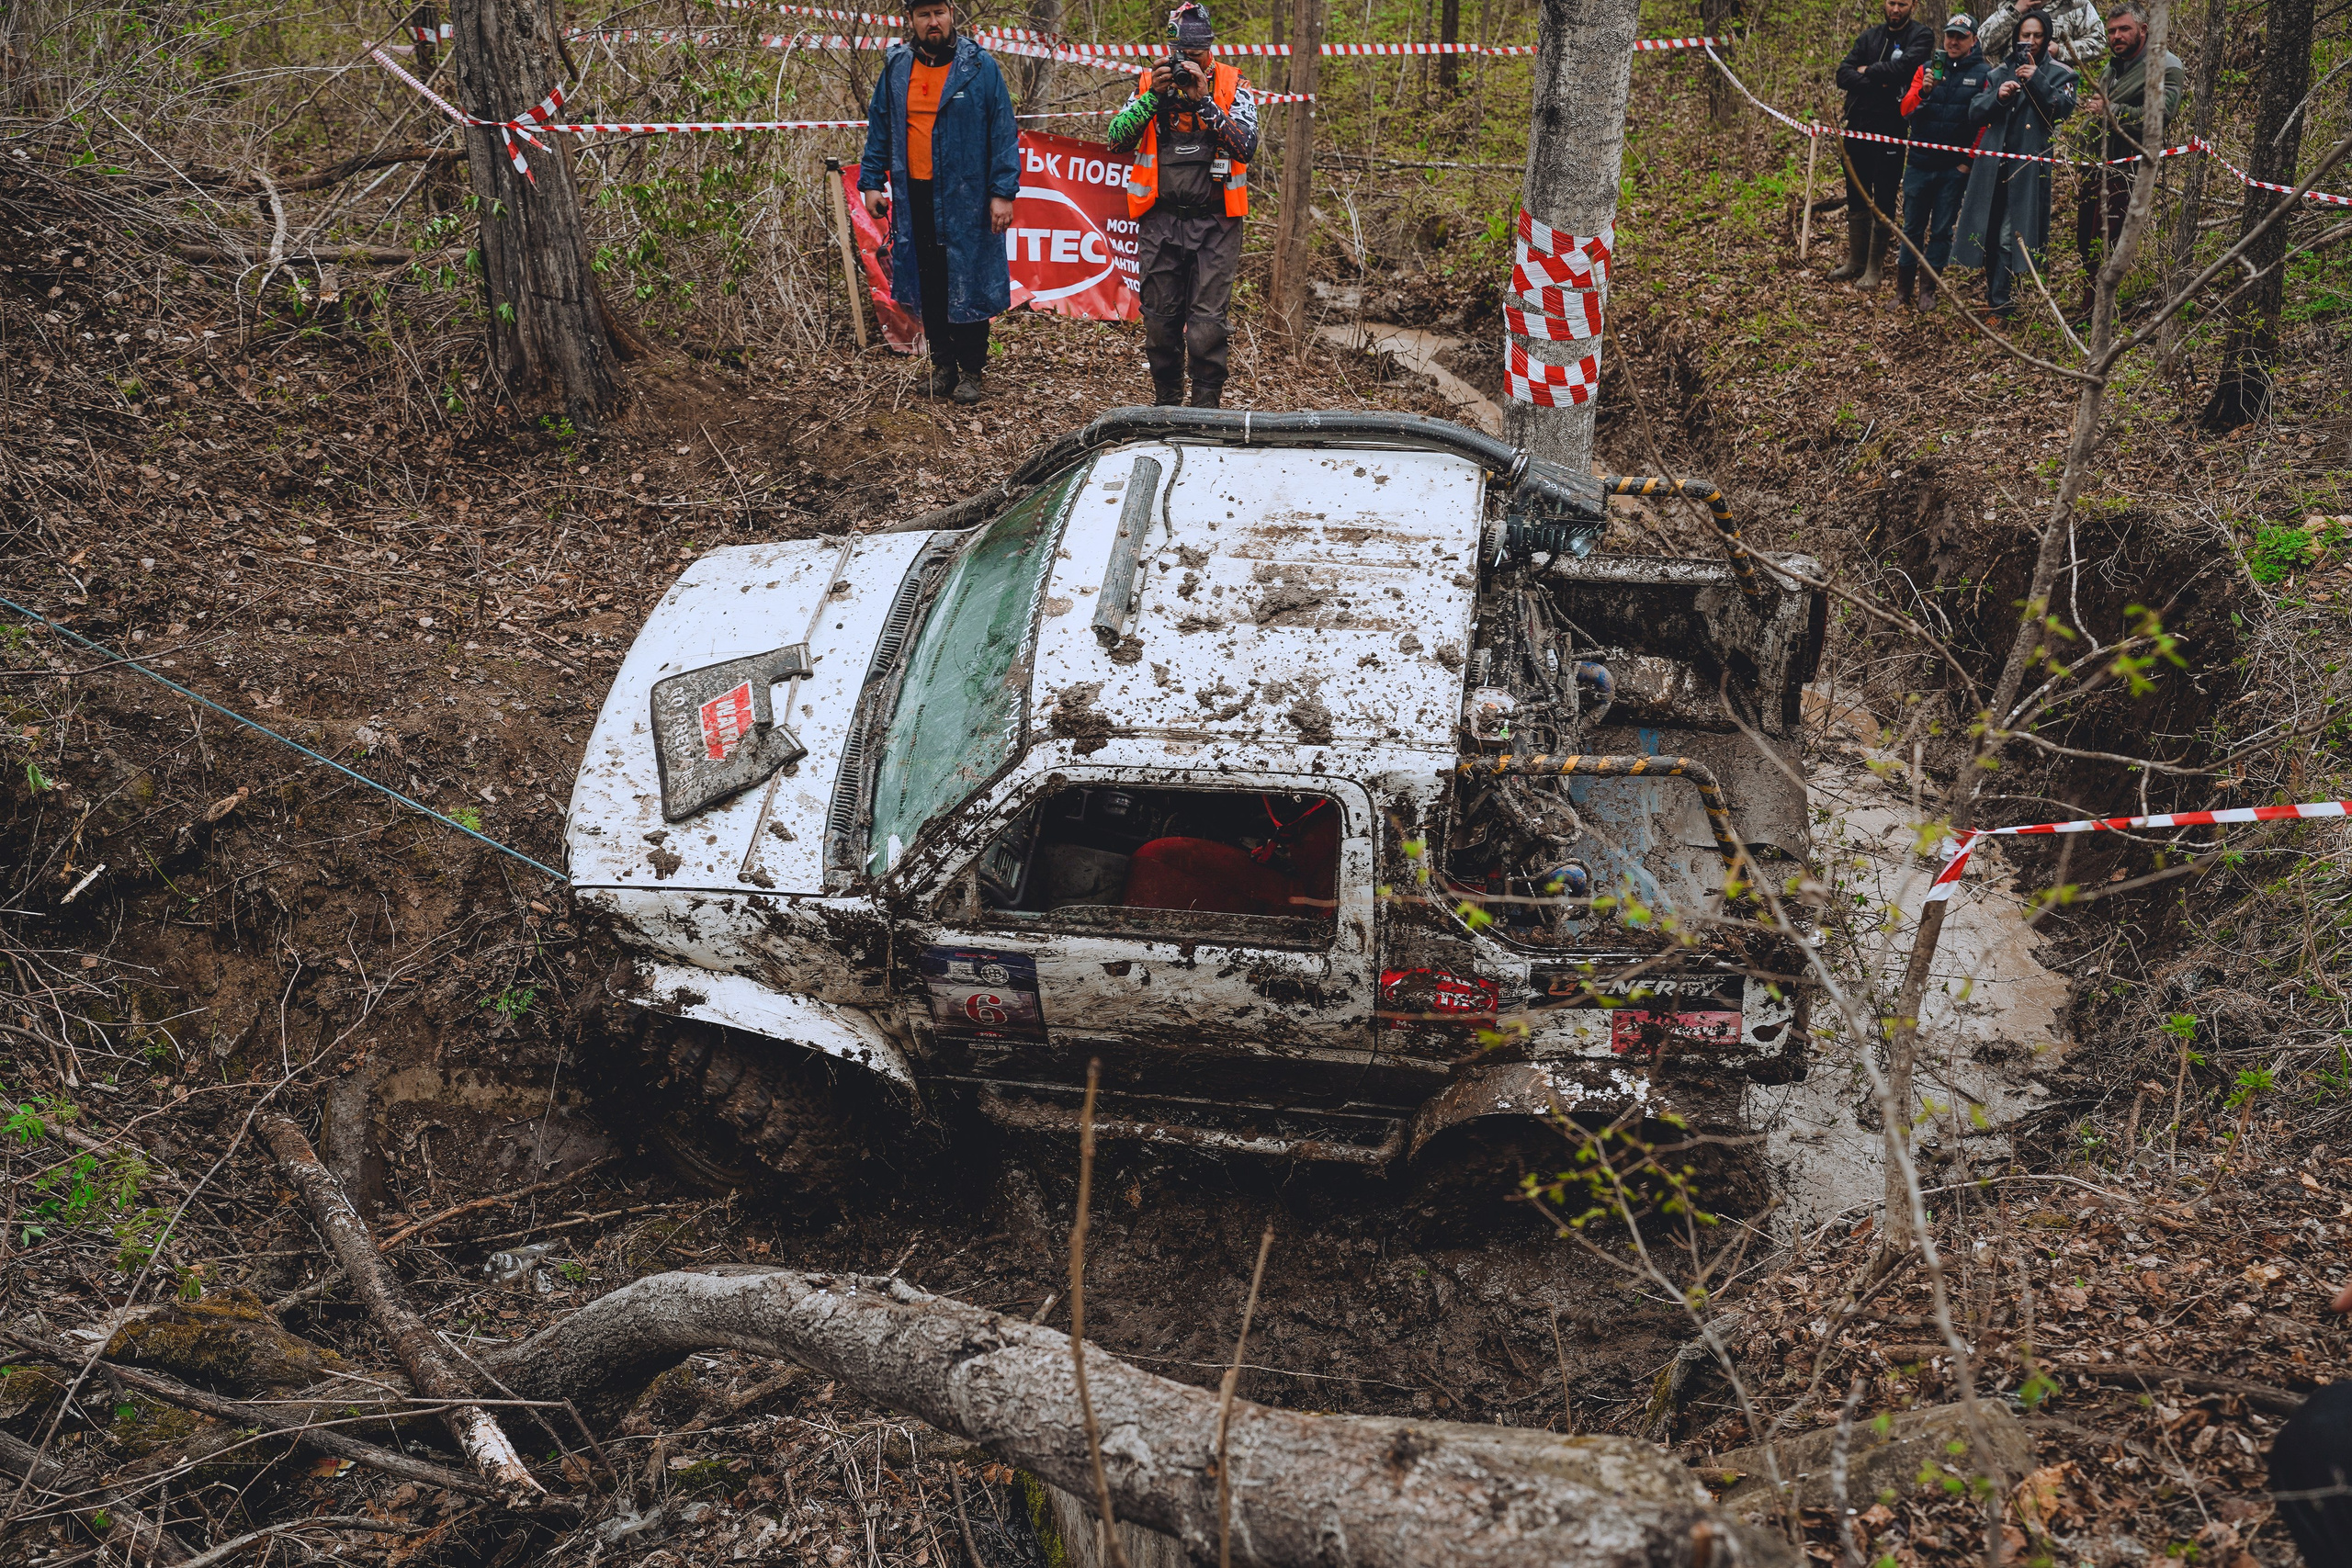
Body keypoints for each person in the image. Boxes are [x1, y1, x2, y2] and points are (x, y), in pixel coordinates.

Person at [857, 0, 1019, 404]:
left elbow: (1003, 131)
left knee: (970, 278)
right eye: (924, 15)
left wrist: (1002, 192)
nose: (934, 22)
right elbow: (881, 125)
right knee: (928, 282)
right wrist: (872, 181)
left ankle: (971, 371)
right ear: (910, 20)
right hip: (916, 196)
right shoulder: (897, 68)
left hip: (967, 197)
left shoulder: (979, 67)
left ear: (952, 16)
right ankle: (942, 365)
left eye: (940, 13)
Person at [1106, 2, 1259, 408]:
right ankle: (1167, 406)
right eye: (1180, 55)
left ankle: (1206, 411)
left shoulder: (1233, 83)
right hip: (1160, 220)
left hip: (1216, 223)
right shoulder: (1149, 83)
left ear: (1210, 47)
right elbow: (1117, 138)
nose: (1187, 63)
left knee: (1207, 326)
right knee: (1159, 321)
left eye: (1196, 55)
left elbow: (1246, 148)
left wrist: (1206, 101)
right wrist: (1152, 98)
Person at [1953, 12, 2077, 319]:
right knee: (1989, 232)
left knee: (2012, 235)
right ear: (2016, 37)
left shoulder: (2062, 73)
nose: (2030, 42)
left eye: (2037, 36)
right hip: (1992, 167)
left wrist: (2035, 79)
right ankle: (1995, 297)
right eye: (2025, 35)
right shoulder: (1999, 72)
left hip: (2027, 169)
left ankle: (2001, 304)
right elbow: (1975, 112)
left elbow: (2060, 110)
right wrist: (1998, 96)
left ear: (2046, 37)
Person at [2074, 4, 2183, 320]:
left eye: (2124, 29)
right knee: (2086, 241)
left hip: (2127, 168)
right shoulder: (2113, 66)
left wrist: (2111, 109)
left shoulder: (2165, 64)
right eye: (2111, 31)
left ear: (2144, 30)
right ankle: (2091, 306)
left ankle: (2096, 313)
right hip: (2096, 167)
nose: (2117, 36)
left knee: (2105, 243)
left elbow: (2160, 114)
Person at [1829, 0, 1935, 288]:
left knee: (1884, 195)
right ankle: (1856, 260)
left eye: (1902, 3)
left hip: (1891, 127)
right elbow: (1843, 74)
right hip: (1857, 125)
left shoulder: (1921, 35)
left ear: (1912, 4)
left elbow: (1903, 69)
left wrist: (1867, 72)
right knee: (1856, 191)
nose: (1896, 9)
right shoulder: (1869, 37)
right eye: (1891, 2)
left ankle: (1874, 267)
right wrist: (1877, 78)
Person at [1896, 14, 1994, 310]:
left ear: (1973, 40)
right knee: (1911, 227)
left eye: (1960, 36)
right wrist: (1925, 91)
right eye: (1950, 35)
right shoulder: (1925, 69)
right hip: (1919, 164)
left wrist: (1967, 161)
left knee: (1941, 230)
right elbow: (1904, 110)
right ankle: (1903, 292)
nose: (1953, 41)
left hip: (1953, 169)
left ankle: (1929, 290)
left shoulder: (1984, 74)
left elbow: (1985, 123)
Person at [1975, 0, 2107, 69]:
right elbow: (1982, 45)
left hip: (2053, 86)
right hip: (2009, 84)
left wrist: (2061, 51)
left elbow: (2098, 42)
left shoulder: (2075, 5)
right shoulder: (2009, 5)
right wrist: (2015, 11)